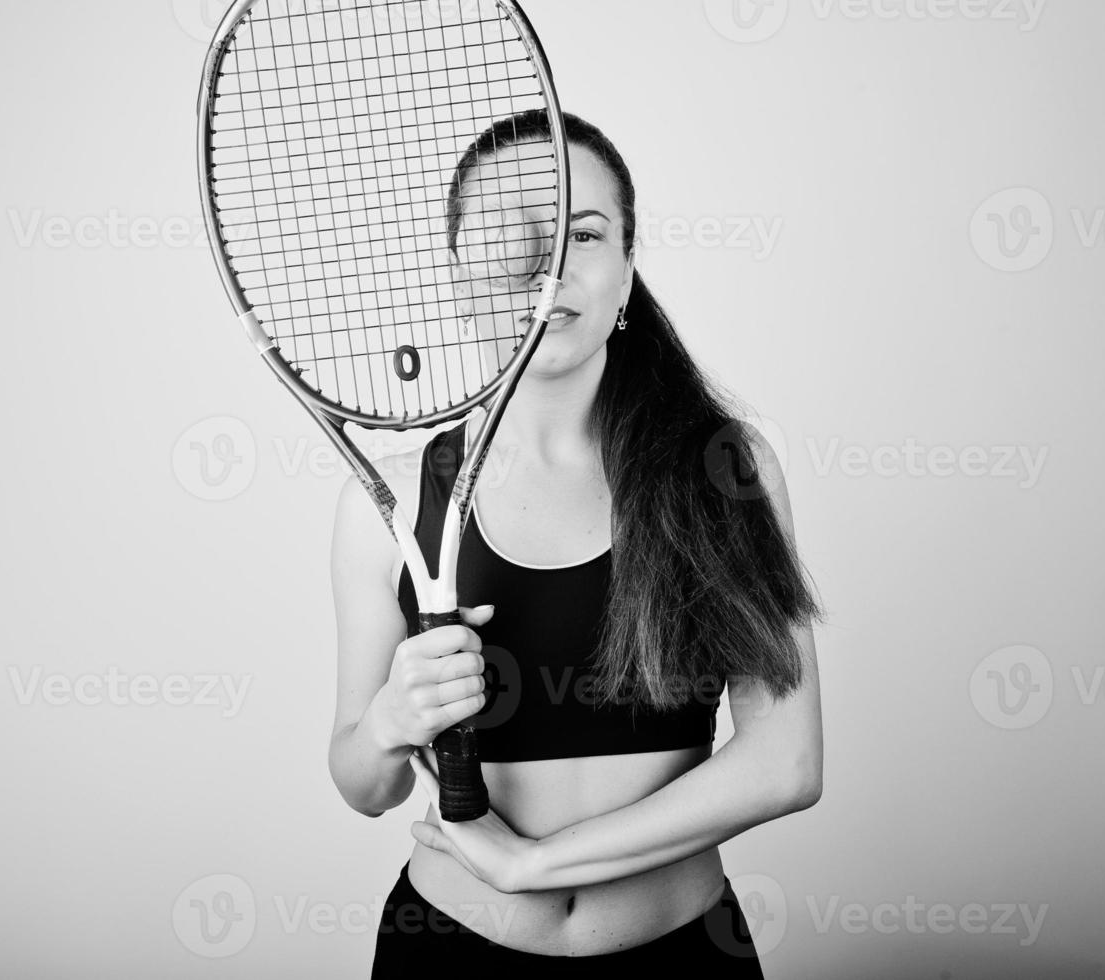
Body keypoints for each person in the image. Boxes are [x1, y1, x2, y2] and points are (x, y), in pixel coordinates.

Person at [327, 111, 824, 977]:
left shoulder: (723, 471)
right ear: (456, 271)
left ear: (627, 270)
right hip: (447, 953)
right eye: (501, 234)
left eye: (579, 233)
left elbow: (787, 762)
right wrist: (389, 723)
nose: (539, 265)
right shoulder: (392, 501)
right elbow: (364, 786)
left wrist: (535, 863)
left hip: (682, 955)